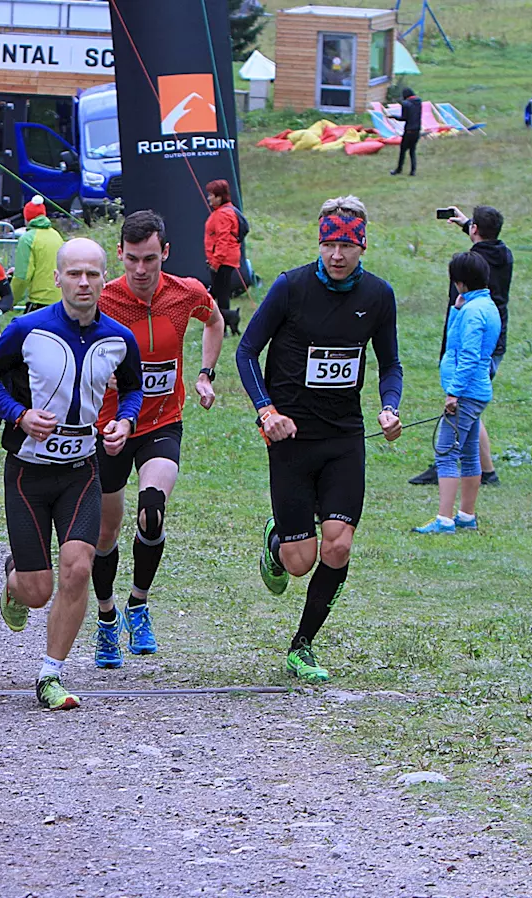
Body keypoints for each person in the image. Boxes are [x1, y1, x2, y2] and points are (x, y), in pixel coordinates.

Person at [235, 195, 403, 684]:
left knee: (338, 546)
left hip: (344, 437)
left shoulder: (378, 295)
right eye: (328, 243)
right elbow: (246, 353)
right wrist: (266, 411)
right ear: (319, 241)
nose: (336, 255)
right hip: (290, 436)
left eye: (346, 246)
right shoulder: (291, 288)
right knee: (299, 559)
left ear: (362, 245)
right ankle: (276, 539)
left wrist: (389, 406)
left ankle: (302, 646)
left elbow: (389, 362)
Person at [0, 238, 144, 710]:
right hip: (28, 472)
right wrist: (19, 415)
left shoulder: (118, 337)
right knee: (37, 590)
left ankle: (52, 674)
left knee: (79, 567)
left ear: (104, 278)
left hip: (81, 470)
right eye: (74, 274)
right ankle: (15, 580)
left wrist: (124, 422)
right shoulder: (27, 329)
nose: (83, 282)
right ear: (58, 278)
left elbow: (133, 389)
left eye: (92, 274)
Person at [90, 210, 222, 667]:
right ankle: (106, 618)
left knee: (151, 511)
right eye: (131, 261)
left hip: (162, 423)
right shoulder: (103, 299)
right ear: (120, 258)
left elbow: (215, 321)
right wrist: (97, 377)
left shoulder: (186, 293)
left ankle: (138, 604)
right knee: (105, 532)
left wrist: (205, 374)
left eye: (149, 259)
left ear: (164, 252)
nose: (141, 271)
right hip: (108, 428)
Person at [410, 204, 512, 487]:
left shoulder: (471, 265)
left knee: (465, 404)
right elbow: (487, 245)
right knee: (472, 407)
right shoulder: (503, 254)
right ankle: (485, 472)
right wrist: (468, 224)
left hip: (473, 341)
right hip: (495, 339)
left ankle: (454, 461)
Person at [412, 252, 501, 535]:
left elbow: (469, 355)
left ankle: (444, 519)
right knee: (470, 451)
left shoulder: (474, 313)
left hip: (466, 392)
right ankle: (466, 515)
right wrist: (456, 310)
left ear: (459, 281)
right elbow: (457, 342)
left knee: (446, 452)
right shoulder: (483, 306)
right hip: (477, 390)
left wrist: (453, 393)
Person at [10, 195, 63, 313]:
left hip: (39, 302)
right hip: (60, 301)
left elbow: (22, 277)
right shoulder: (56, 235)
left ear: (27, 218)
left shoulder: (27, 239)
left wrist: (10, 300)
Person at [203, 179, 243, 335]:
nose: (209, 198)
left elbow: (223, 239)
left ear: (219, 197)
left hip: (223, 261)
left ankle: (222, 327)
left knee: (221, 294)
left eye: (211, 195)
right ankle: (224, 325)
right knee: (221, 293)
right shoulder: (227, 210)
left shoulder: (223, 214)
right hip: (226, 259)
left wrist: (215, 262)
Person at [390, 87, 422, 176]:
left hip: (408, 130)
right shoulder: (419, 102)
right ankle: (413, 171)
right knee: (412, 151)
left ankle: (399, 169)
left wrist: (393, 116)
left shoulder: (405, 104)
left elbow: (404, 118)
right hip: (417, 130)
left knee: (403, 150)